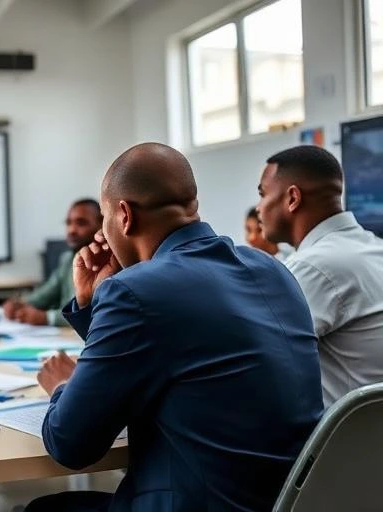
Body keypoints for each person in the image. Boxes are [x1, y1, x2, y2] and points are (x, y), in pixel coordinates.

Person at [27, 143, 323, 512]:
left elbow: (69, 445)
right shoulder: (272, 270)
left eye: (103, 217)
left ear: (123, 215)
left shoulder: (135, 291)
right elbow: (170, 354)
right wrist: (94, 304)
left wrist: (61, 387)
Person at [257, 145, 383, 406]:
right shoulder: (375, 248)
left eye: (263, 194)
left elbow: (258, 358)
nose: (259, 208)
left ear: (292, 198)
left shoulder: (312, 267)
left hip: (347, 444)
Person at [3, 199, 102, 326]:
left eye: (81, 223)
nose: (71, 230)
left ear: (101, 225)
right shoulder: (68, 258)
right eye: (68, 223)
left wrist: (47, 318)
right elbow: (47, 293)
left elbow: (92, 315)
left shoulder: (108, 265)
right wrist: (20, 304)